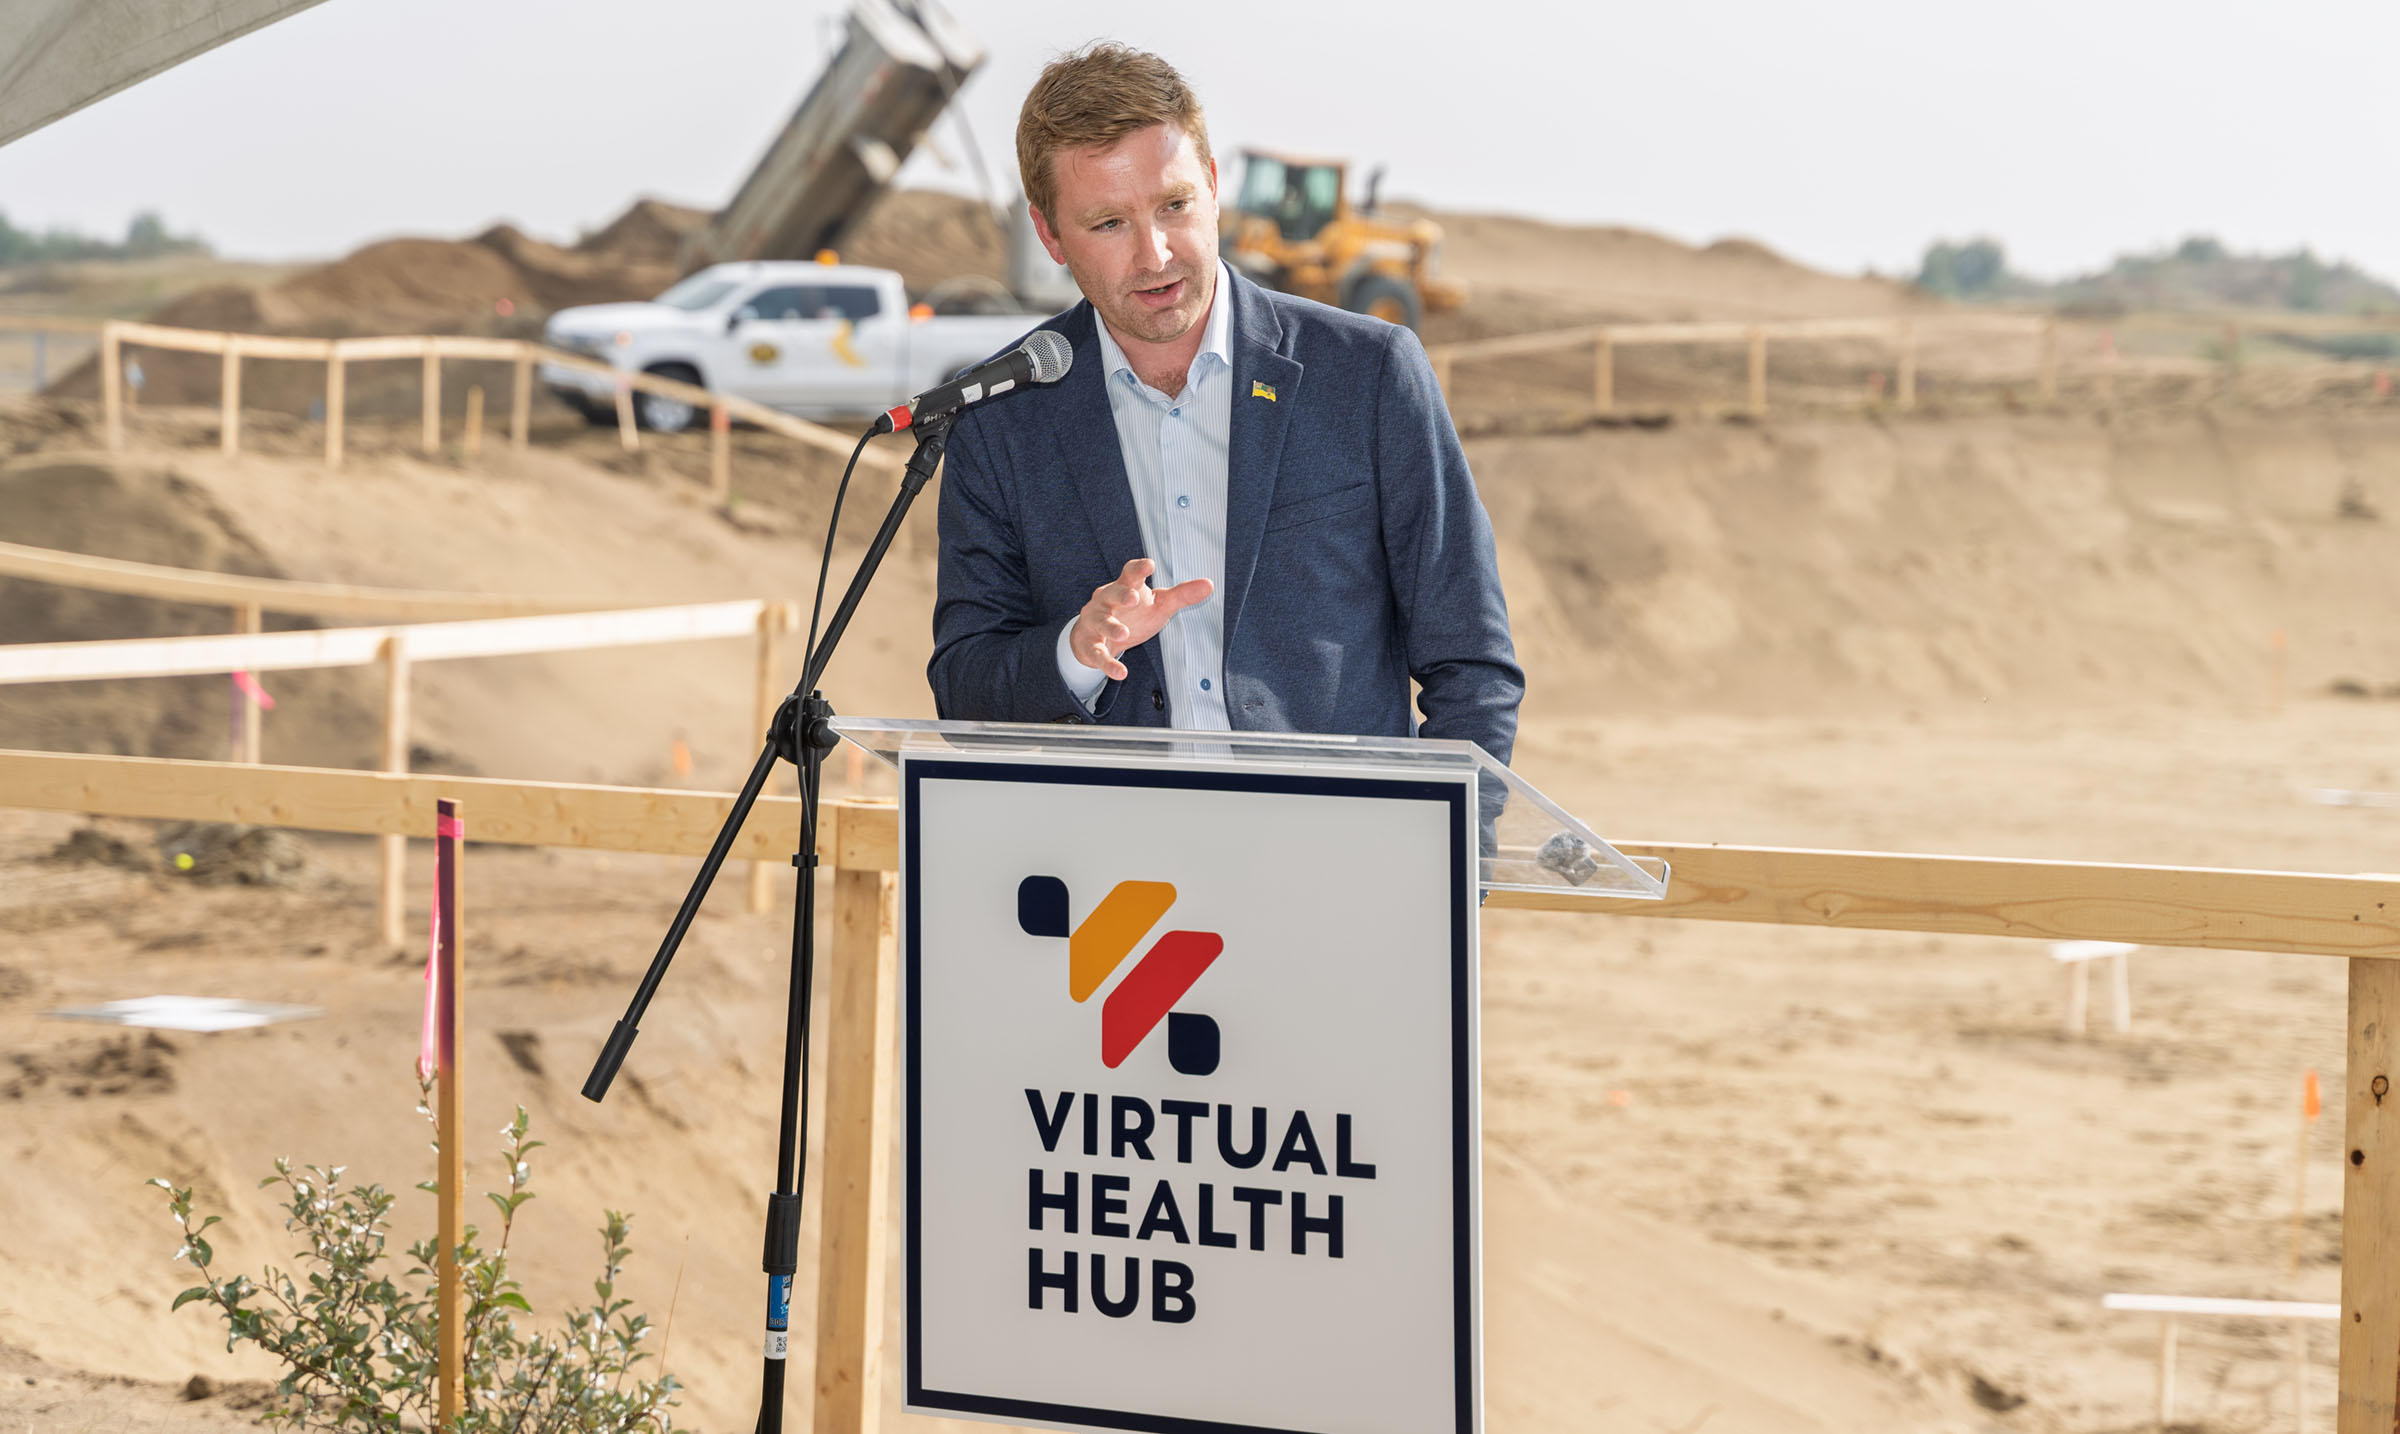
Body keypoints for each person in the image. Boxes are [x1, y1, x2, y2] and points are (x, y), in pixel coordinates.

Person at [926, 43, 1521, 765]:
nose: (1155, 254)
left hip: (1329, 855)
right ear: (1050, 234)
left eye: (1175, 206)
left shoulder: (1369, 377)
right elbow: (964, 689)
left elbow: (1472, 663)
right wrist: (1076, 651)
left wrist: (1454, 860)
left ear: (1212, 186)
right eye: (1108, 223)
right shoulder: (998, 418)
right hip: (1114, 866)